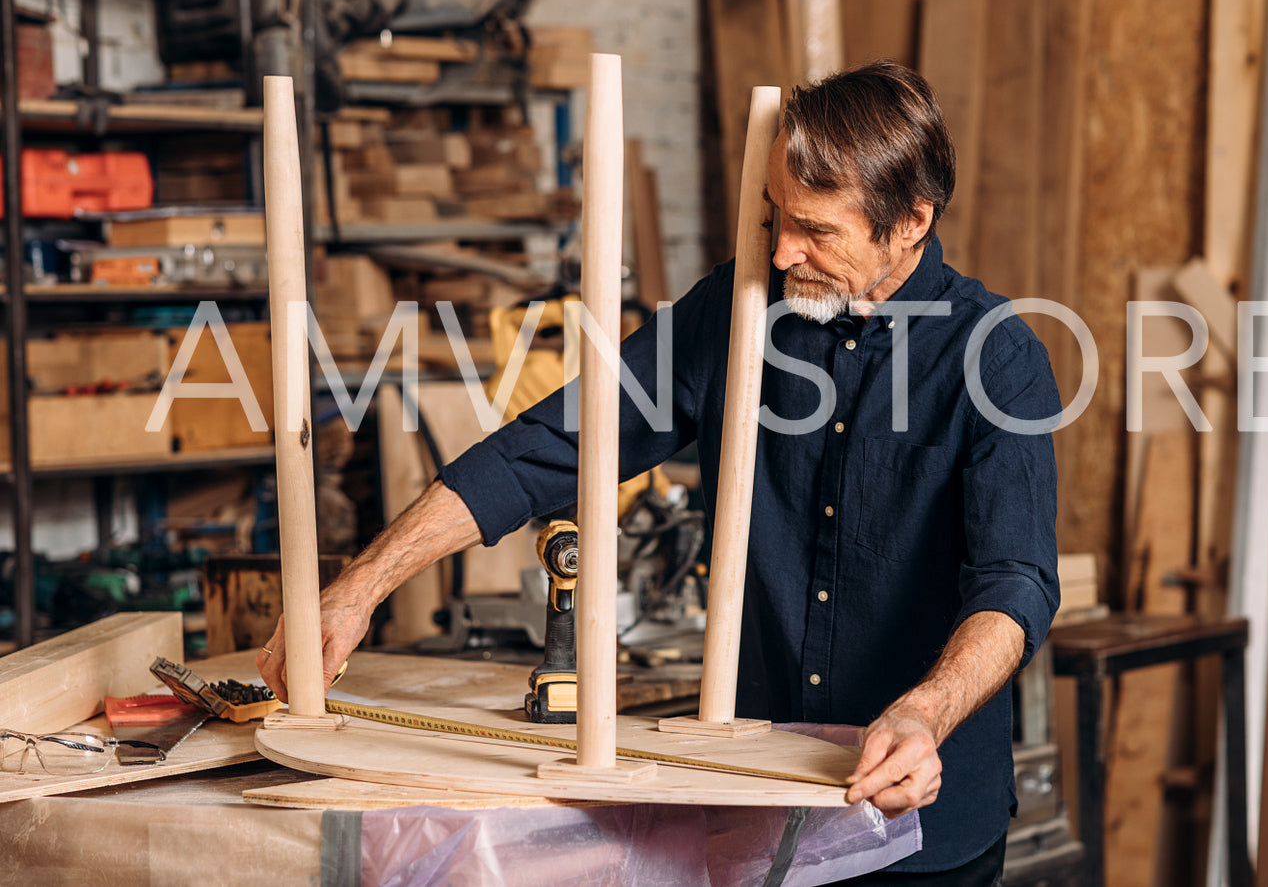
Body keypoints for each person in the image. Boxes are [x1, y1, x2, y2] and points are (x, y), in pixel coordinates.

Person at [258, 60, 1061, 884]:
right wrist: (361, 583)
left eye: (817, 230)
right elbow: (555, 443)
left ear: (910, 222)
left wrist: (926, 709)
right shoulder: (738, 310)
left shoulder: (995, 357)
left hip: (919, 815)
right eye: (773, 217)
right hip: (759, 791)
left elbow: (1015, 581)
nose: (783, 253)